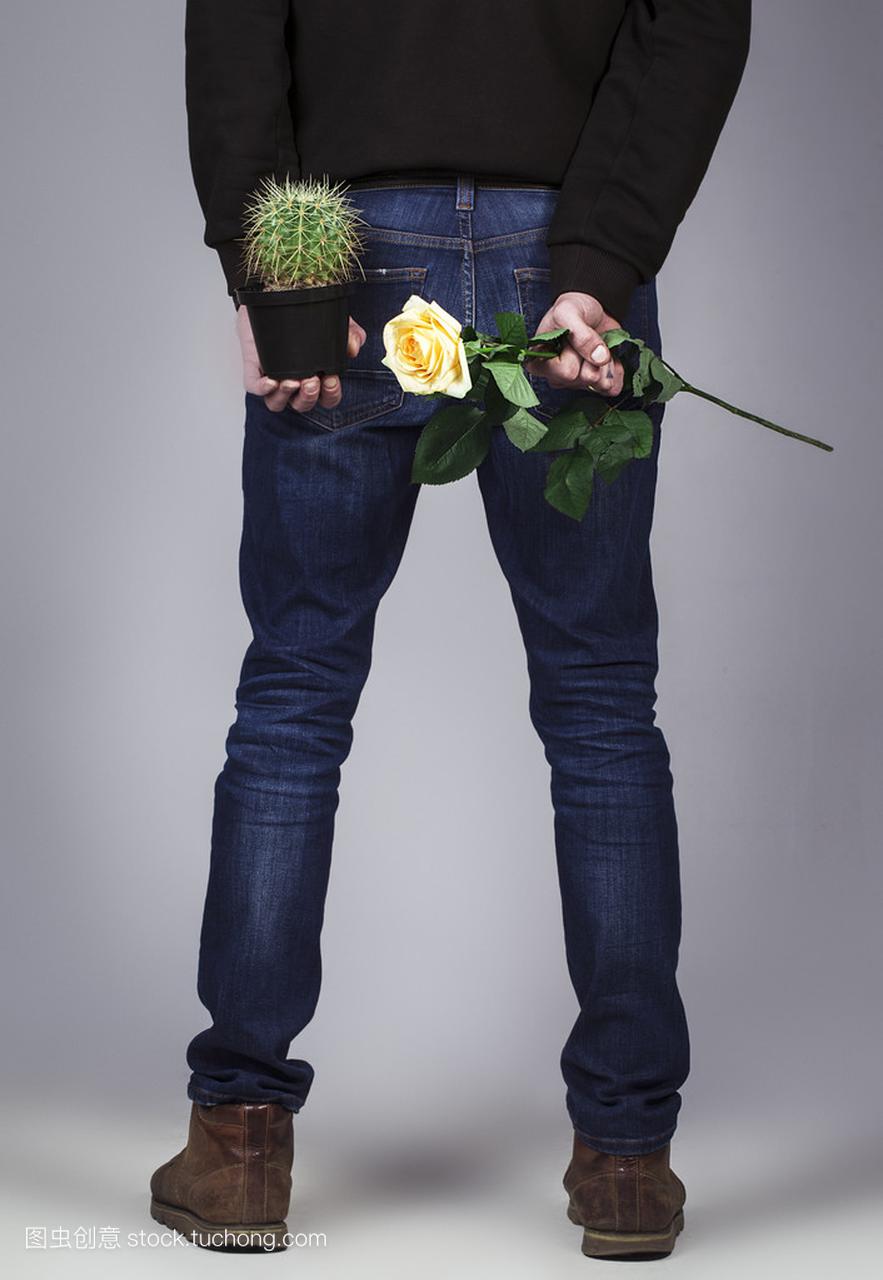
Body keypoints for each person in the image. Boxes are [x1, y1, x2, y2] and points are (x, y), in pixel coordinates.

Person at [149, 0, 751, 1258]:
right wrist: (599, 264)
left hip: (350, 244)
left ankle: (240, 1139)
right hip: (565, 246)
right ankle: (628, 1157)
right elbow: (690, 20)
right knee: (600, 708)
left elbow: (238, 27)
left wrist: (288, 280)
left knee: (294, 696)